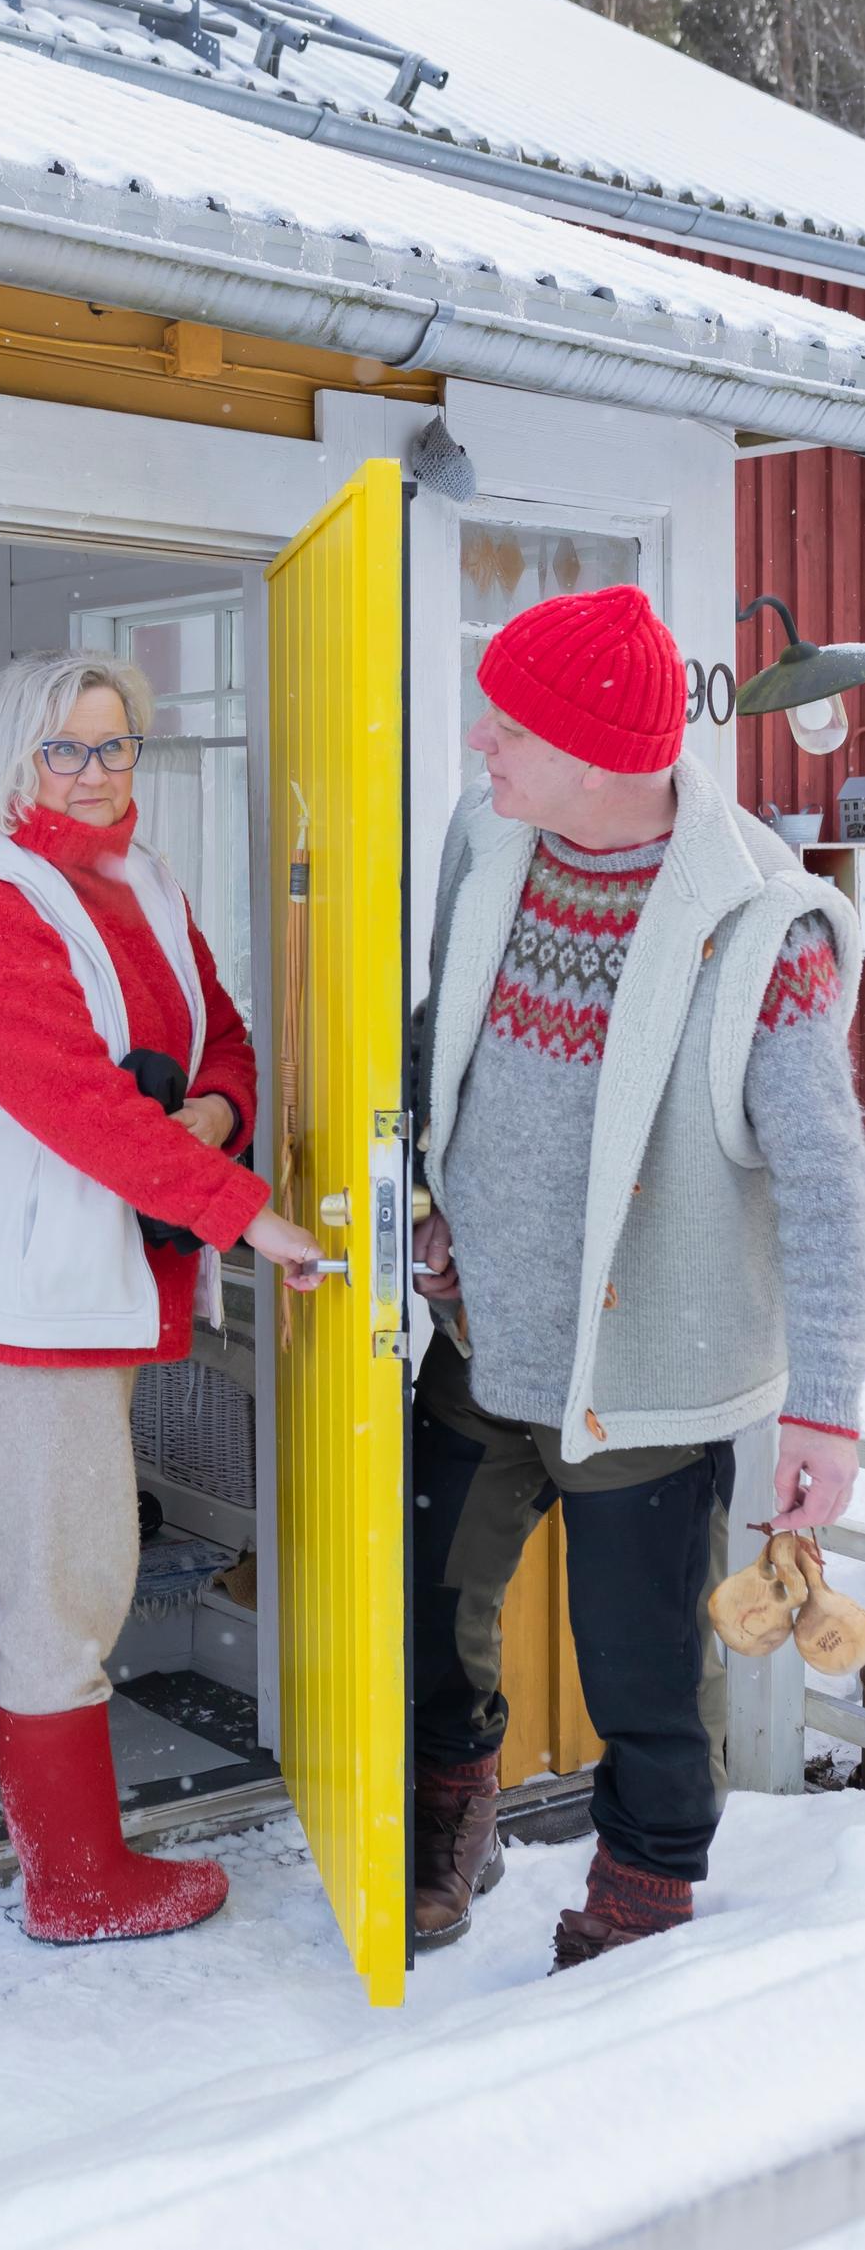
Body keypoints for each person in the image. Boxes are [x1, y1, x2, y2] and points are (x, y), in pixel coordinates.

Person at [410, 583, 865, 1969]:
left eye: (511, 727)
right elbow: (445, 1032)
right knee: (423, 1605)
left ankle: (645, 1881)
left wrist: (826, 1415)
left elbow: (830, 1183)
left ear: (601, 752)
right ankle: (452, 1799)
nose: (482, 745)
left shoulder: (758, 933)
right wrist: (420, 1192)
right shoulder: (489, 839)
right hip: (478, 1333)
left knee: (641, 1666)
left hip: (648, 1373)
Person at [0, 648, 329, 1945]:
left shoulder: (133, 876)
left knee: (35, 1535)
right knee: (72, 1572)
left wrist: (217, 1107)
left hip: (101, 1278)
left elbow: (227, 1032)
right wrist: (241, 1203)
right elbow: (73, 1104)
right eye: (63, 750)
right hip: (34, 1296)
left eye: (114, 744)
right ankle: (73, 1878)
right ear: (11, 760)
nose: (92, 774)